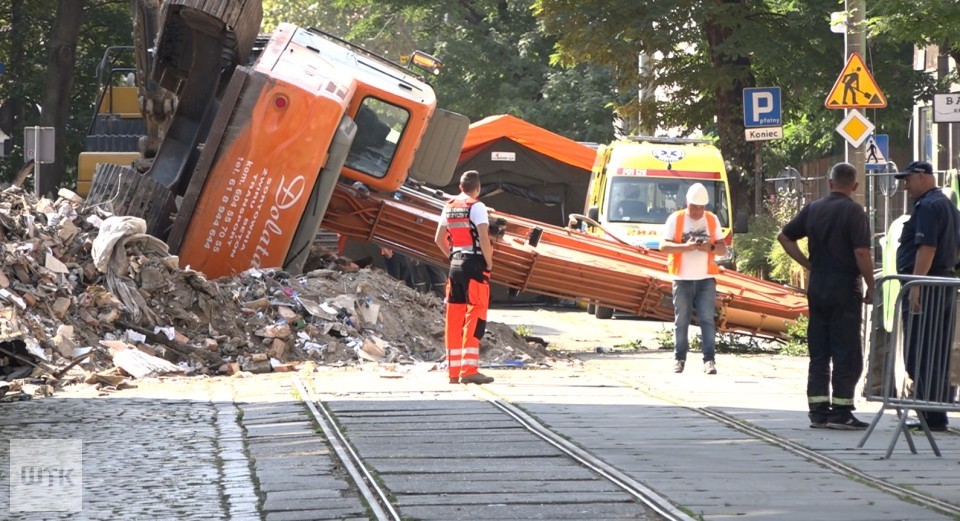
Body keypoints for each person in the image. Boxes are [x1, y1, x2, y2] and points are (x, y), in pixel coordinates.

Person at [777, 162, 875, 430]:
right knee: (846, 351)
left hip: (818, 287)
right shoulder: (854, 212)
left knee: (819, 351)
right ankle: (841, 411)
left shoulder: (813, 208)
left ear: (830, 183)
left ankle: (818, 411)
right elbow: (862, 253)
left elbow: (784, 237)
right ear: (854, 186)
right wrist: (871, 285)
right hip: (845, 288)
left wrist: (808, 264)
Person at [894, 160, 960, 432]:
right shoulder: (947, 205)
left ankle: (930, 414)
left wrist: (917, 285)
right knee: (937, 349)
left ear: (923, 177)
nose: (905, 186)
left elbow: (927, 248)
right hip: (943, 283)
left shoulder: (928, 207)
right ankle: (936, 413)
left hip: (927, 286)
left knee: (920, 349)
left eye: (908, 179)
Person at [434, 170, 495, 385]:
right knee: (474, 315)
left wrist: (452, 256)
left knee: (455, 317)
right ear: (477, 189)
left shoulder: (449, 206)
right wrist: (488, 262)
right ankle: (469, 370)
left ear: (460, 187)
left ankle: (454, 371)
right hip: (474, 267)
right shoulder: (476, 207)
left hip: (455, 265)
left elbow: (439, 238)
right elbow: (484, 237)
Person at [660, 183, 727, 375]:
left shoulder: (712, 220)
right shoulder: (676, 219)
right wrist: (685, 247)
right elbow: (663, 246)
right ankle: (679, 358)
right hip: (682, 278)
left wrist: (711, 248)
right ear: (687, 203)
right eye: (694, 207)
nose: (697, 211)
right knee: (682, 320)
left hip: (706, 278)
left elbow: (723, 248)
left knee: (707, 319)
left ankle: (709, 361)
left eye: (701, 207)